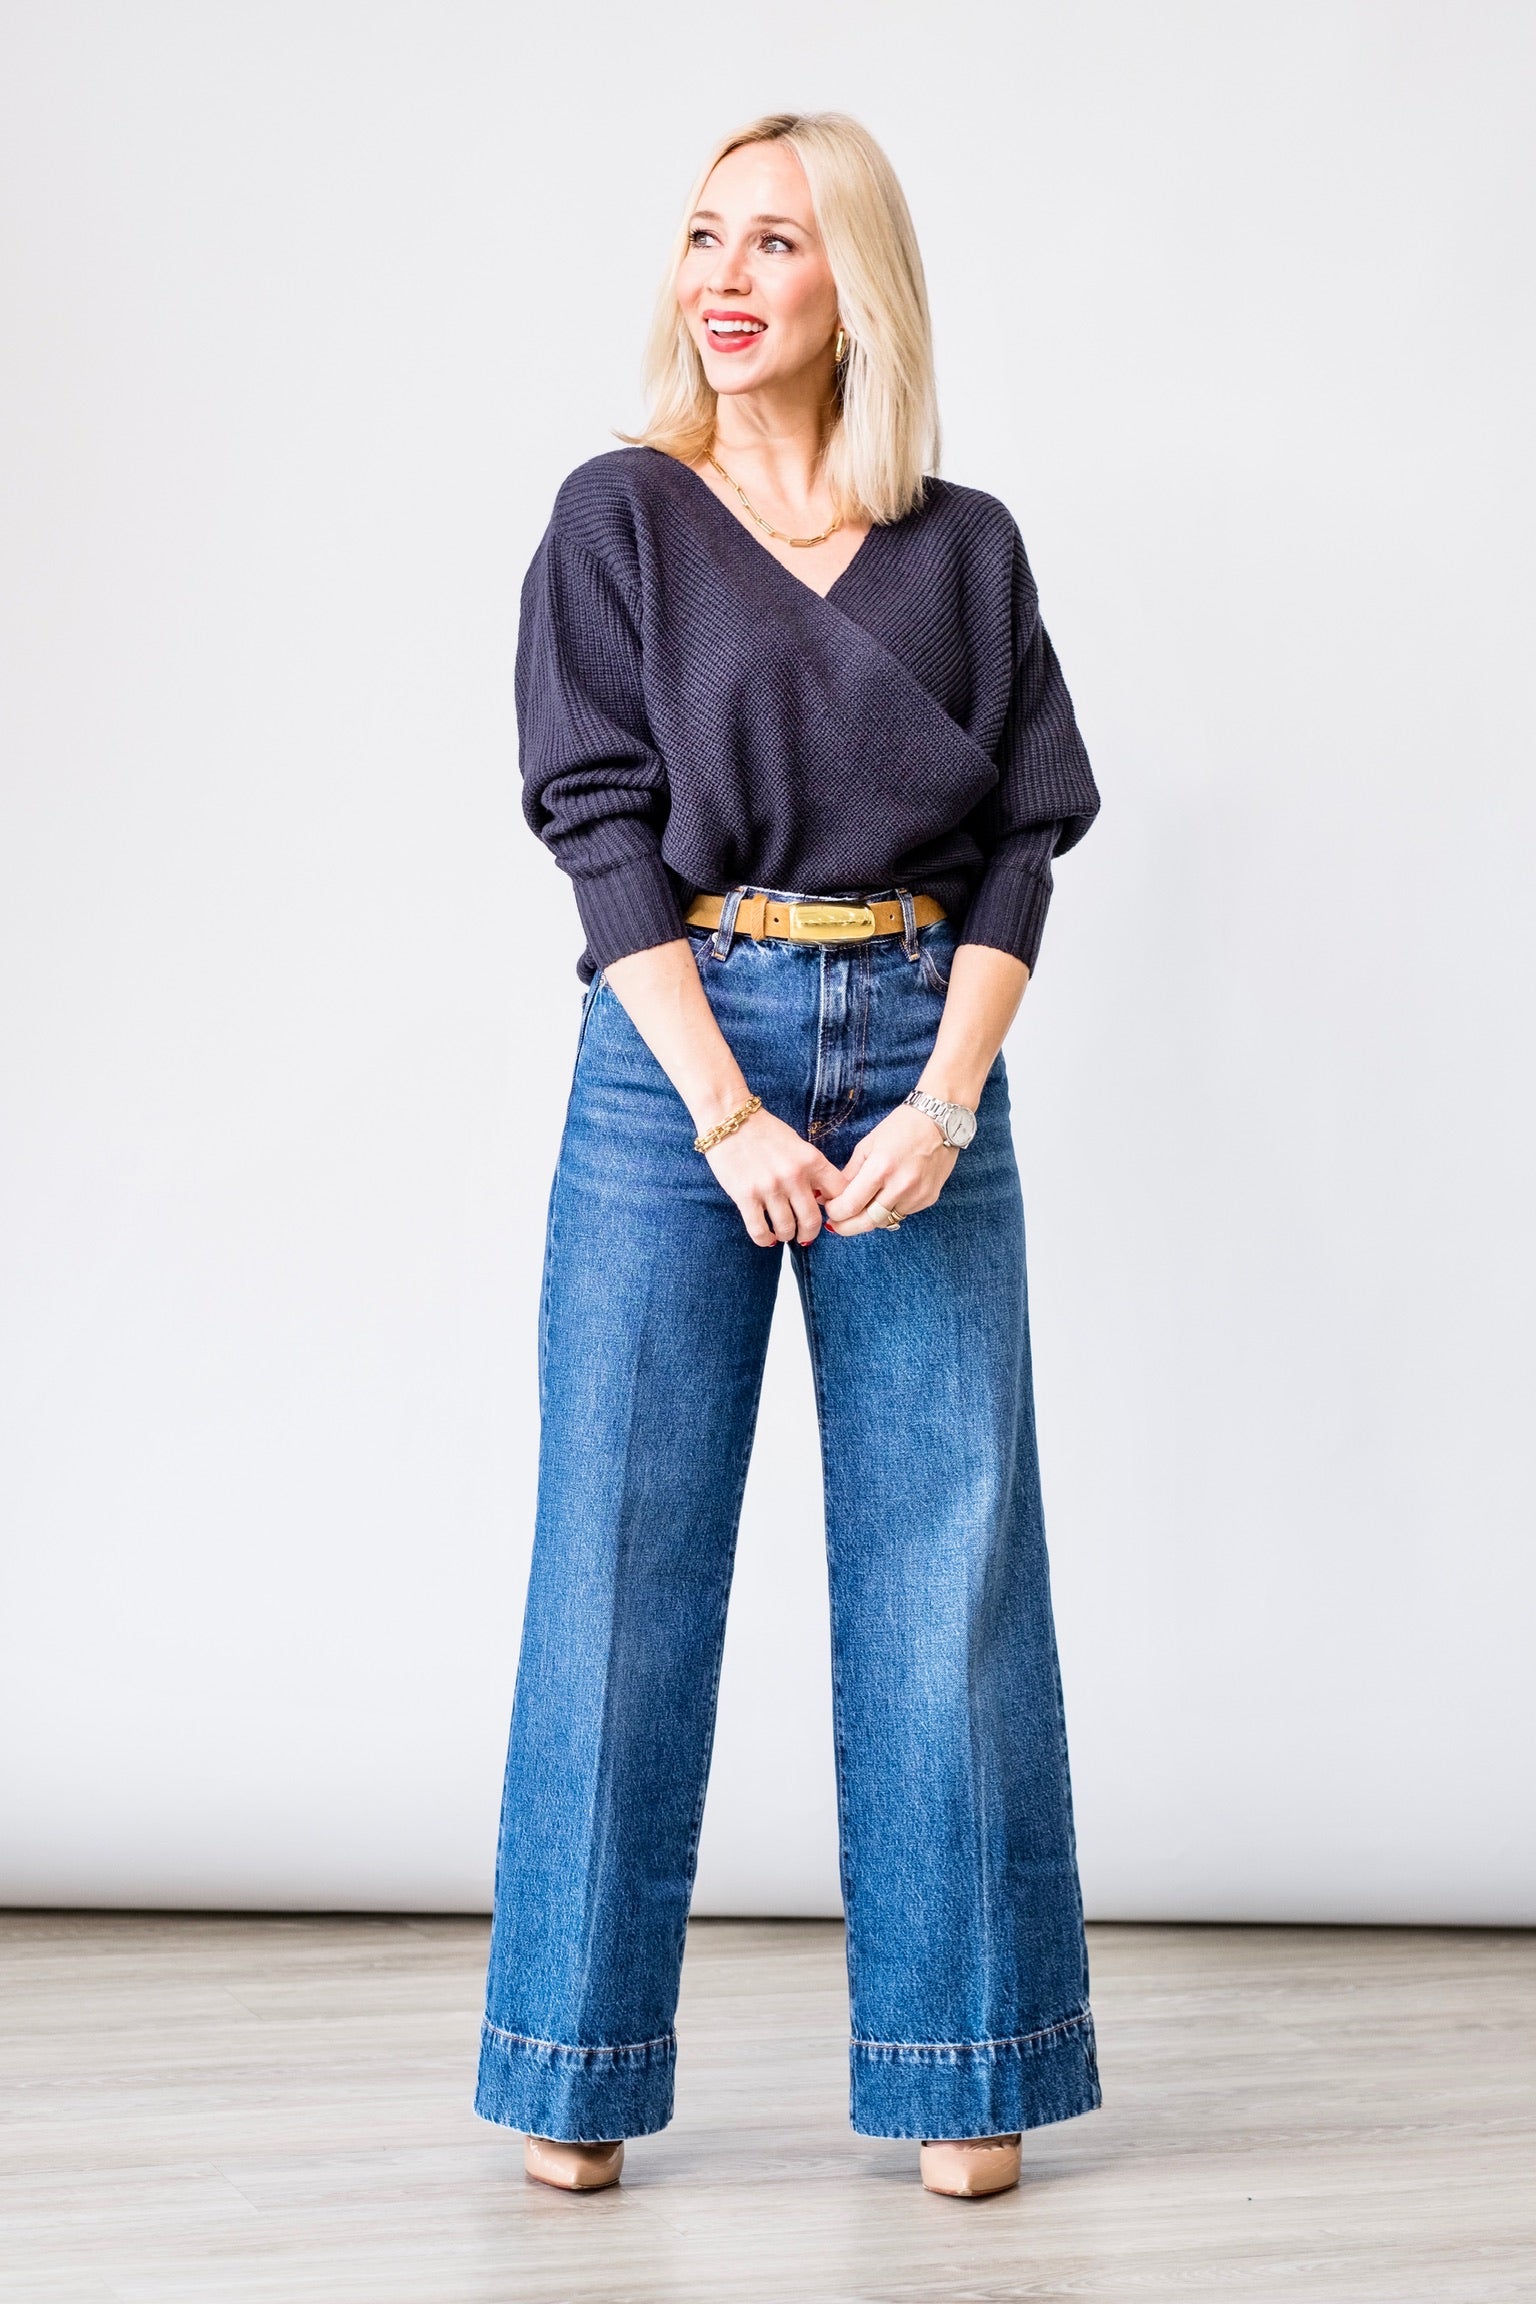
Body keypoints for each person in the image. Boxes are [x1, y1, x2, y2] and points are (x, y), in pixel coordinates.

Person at [474, 109, 1103, 2201]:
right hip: (681, 1047)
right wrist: (726, 1108)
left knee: (949, 1558)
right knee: (620, 1551)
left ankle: (965, 2053)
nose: (726, 277)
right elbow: (595, 825)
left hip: (924, 1039)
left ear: (859, 288)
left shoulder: (966, 547)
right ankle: (571, 2056)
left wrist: (944, 1096)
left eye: (776, 242)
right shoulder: (620, 518)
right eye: (703, 236)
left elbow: (1025, 843)